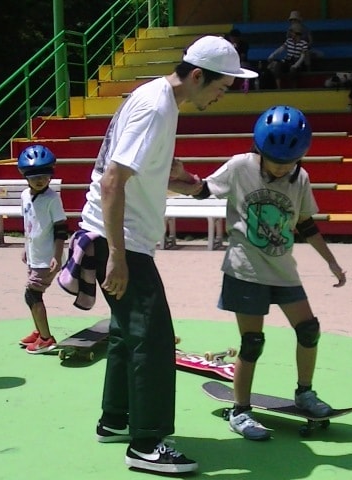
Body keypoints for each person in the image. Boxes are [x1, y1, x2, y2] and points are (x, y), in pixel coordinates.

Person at [75, 35, 257, 473]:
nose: (220, 96)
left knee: (126, 334)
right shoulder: (157, 109)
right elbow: (112, 181)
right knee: (153, 342)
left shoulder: (155, 98)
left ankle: (115, 420)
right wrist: (117, 254)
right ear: (197, 76)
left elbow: (140, 174)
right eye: (220, 87)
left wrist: (191, 185)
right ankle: (146, 444)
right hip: (121, 241)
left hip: (115, 236)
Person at [193, 105, 347, 441]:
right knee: (253, 342)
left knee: (309, 329)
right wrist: (175, 178)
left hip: (283, 271)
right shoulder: (239, 166)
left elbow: (305, 224)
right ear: (259, 150)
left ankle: (304, 393)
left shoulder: (300, 178)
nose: (279, 169)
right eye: (273, 161)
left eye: (287, 163)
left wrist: (331, 261)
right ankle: (241, 411)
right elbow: (204, 189)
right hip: (244, 269)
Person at [17, 145, 68, 354]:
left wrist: (57, 255)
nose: (40, 180)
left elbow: (61, 230)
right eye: (34, 177)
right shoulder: (24, 196)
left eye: (45, 176)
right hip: (34, 255)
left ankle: (46, 339)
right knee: (33, 296)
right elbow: (28, 224)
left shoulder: (52, 199)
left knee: (32, 295)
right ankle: (40, 331)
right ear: (26, 177)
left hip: (48, 258)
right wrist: (25, 247)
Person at [268, 24, 309, 89]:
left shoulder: (304, 43)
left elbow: (302, 57)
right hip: (288, 60)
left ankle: (292, 88)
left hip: (297, 62)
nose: (291, 34)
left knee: (293, 71)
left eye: (292, 32)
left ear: (296, 33)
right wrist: (272, 55)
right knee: (278, 66)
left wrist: (295, 65)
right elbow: (281, 49)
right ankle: (278, 87)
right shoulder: (289, 41)